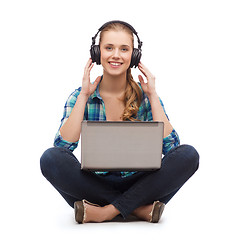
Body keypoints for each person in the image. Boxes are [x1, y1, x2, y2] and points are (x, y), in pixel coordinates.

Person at [40, 20, 199, 224]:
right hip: (95, 183)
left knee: (189, 155)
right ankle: (139, 209)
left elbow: (172, 149)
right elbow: (62, 147)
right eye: (109, 48)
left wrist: (152, 95)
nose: (116, 55)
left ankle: (105, 212)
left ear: (134, 56)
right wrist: (83, 97)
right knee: (50, 158)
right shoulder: (81, 95)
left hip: (142, 182)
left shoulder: (147, 96)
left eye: (124, 49)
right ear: (97, 53)